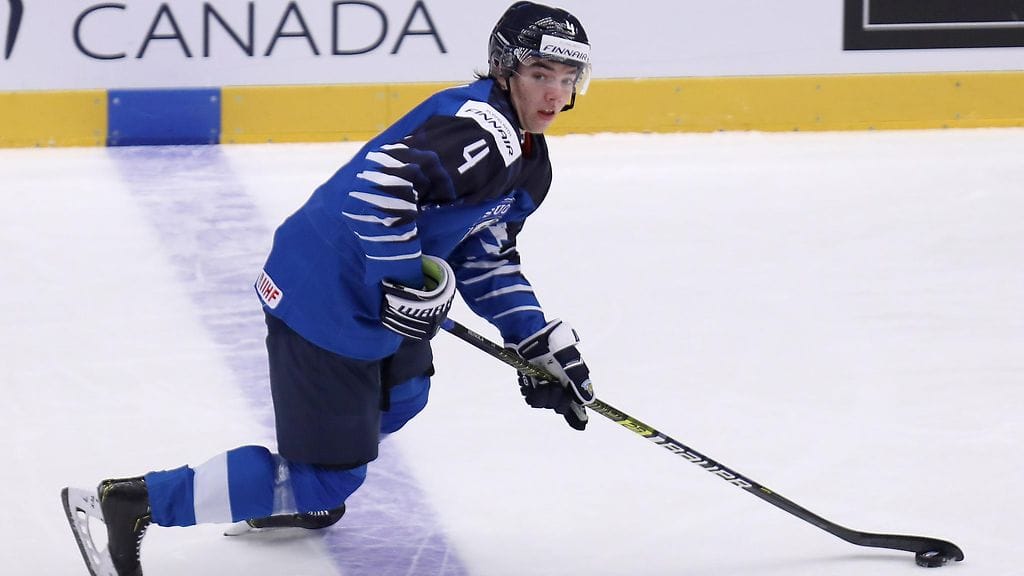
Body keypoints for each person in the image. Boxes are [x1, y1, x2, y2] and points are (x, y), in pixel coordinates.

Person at [63, 3, 595, 575]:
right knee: (324, 483)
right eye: (540, 74)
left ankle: (301, 473)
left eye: (568, 79)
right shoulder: (482, 132)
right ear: (505, 70)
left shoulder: (530, 164)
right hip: (324, 295)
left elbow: (484, 256)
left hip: (377, 303)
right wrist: (402, 282)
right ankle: (130, 504)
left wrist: (535, 339)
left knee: (405, 394)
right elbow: (379, 188)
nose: (554, 94)